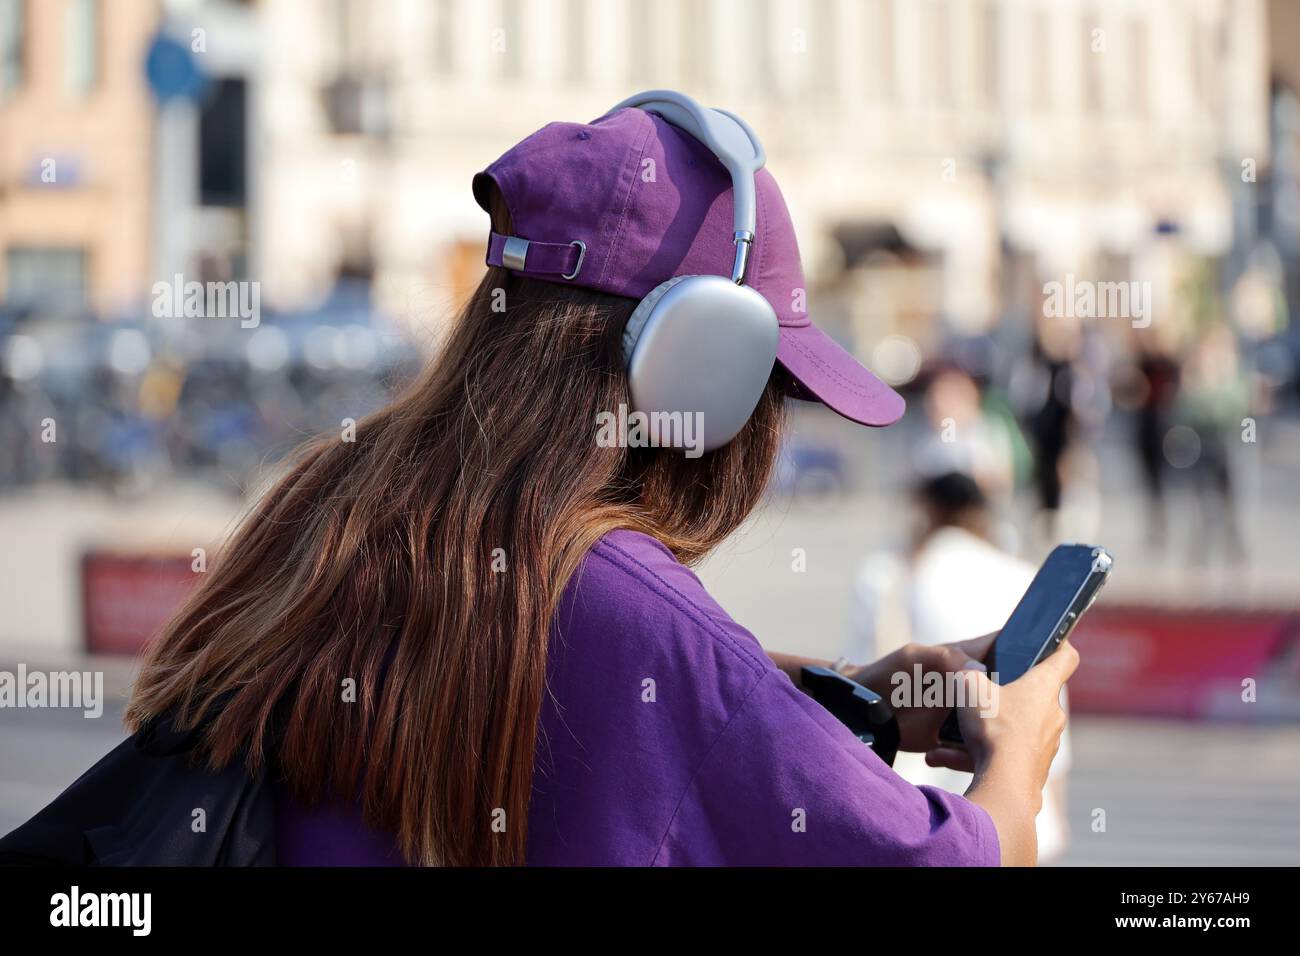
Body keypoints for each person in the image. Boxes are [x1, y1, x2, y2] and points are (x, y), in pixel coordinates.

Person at [110, 94, 1073, 866]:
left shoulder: (327, 503)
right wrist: (1016, 756)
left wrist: (840, 697)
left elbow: (568, 679)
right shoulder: (636, 618)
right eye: (771, 386)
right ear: (700, 368)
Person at [846, 471, 1072, 862]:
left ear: (926, 509)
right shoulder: (1020, 576)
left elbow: (852, 689)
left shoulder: (885, 574)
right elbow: (1048, 703)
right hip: (1015, 802)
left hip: (913, 807)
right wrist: (1054, 807)